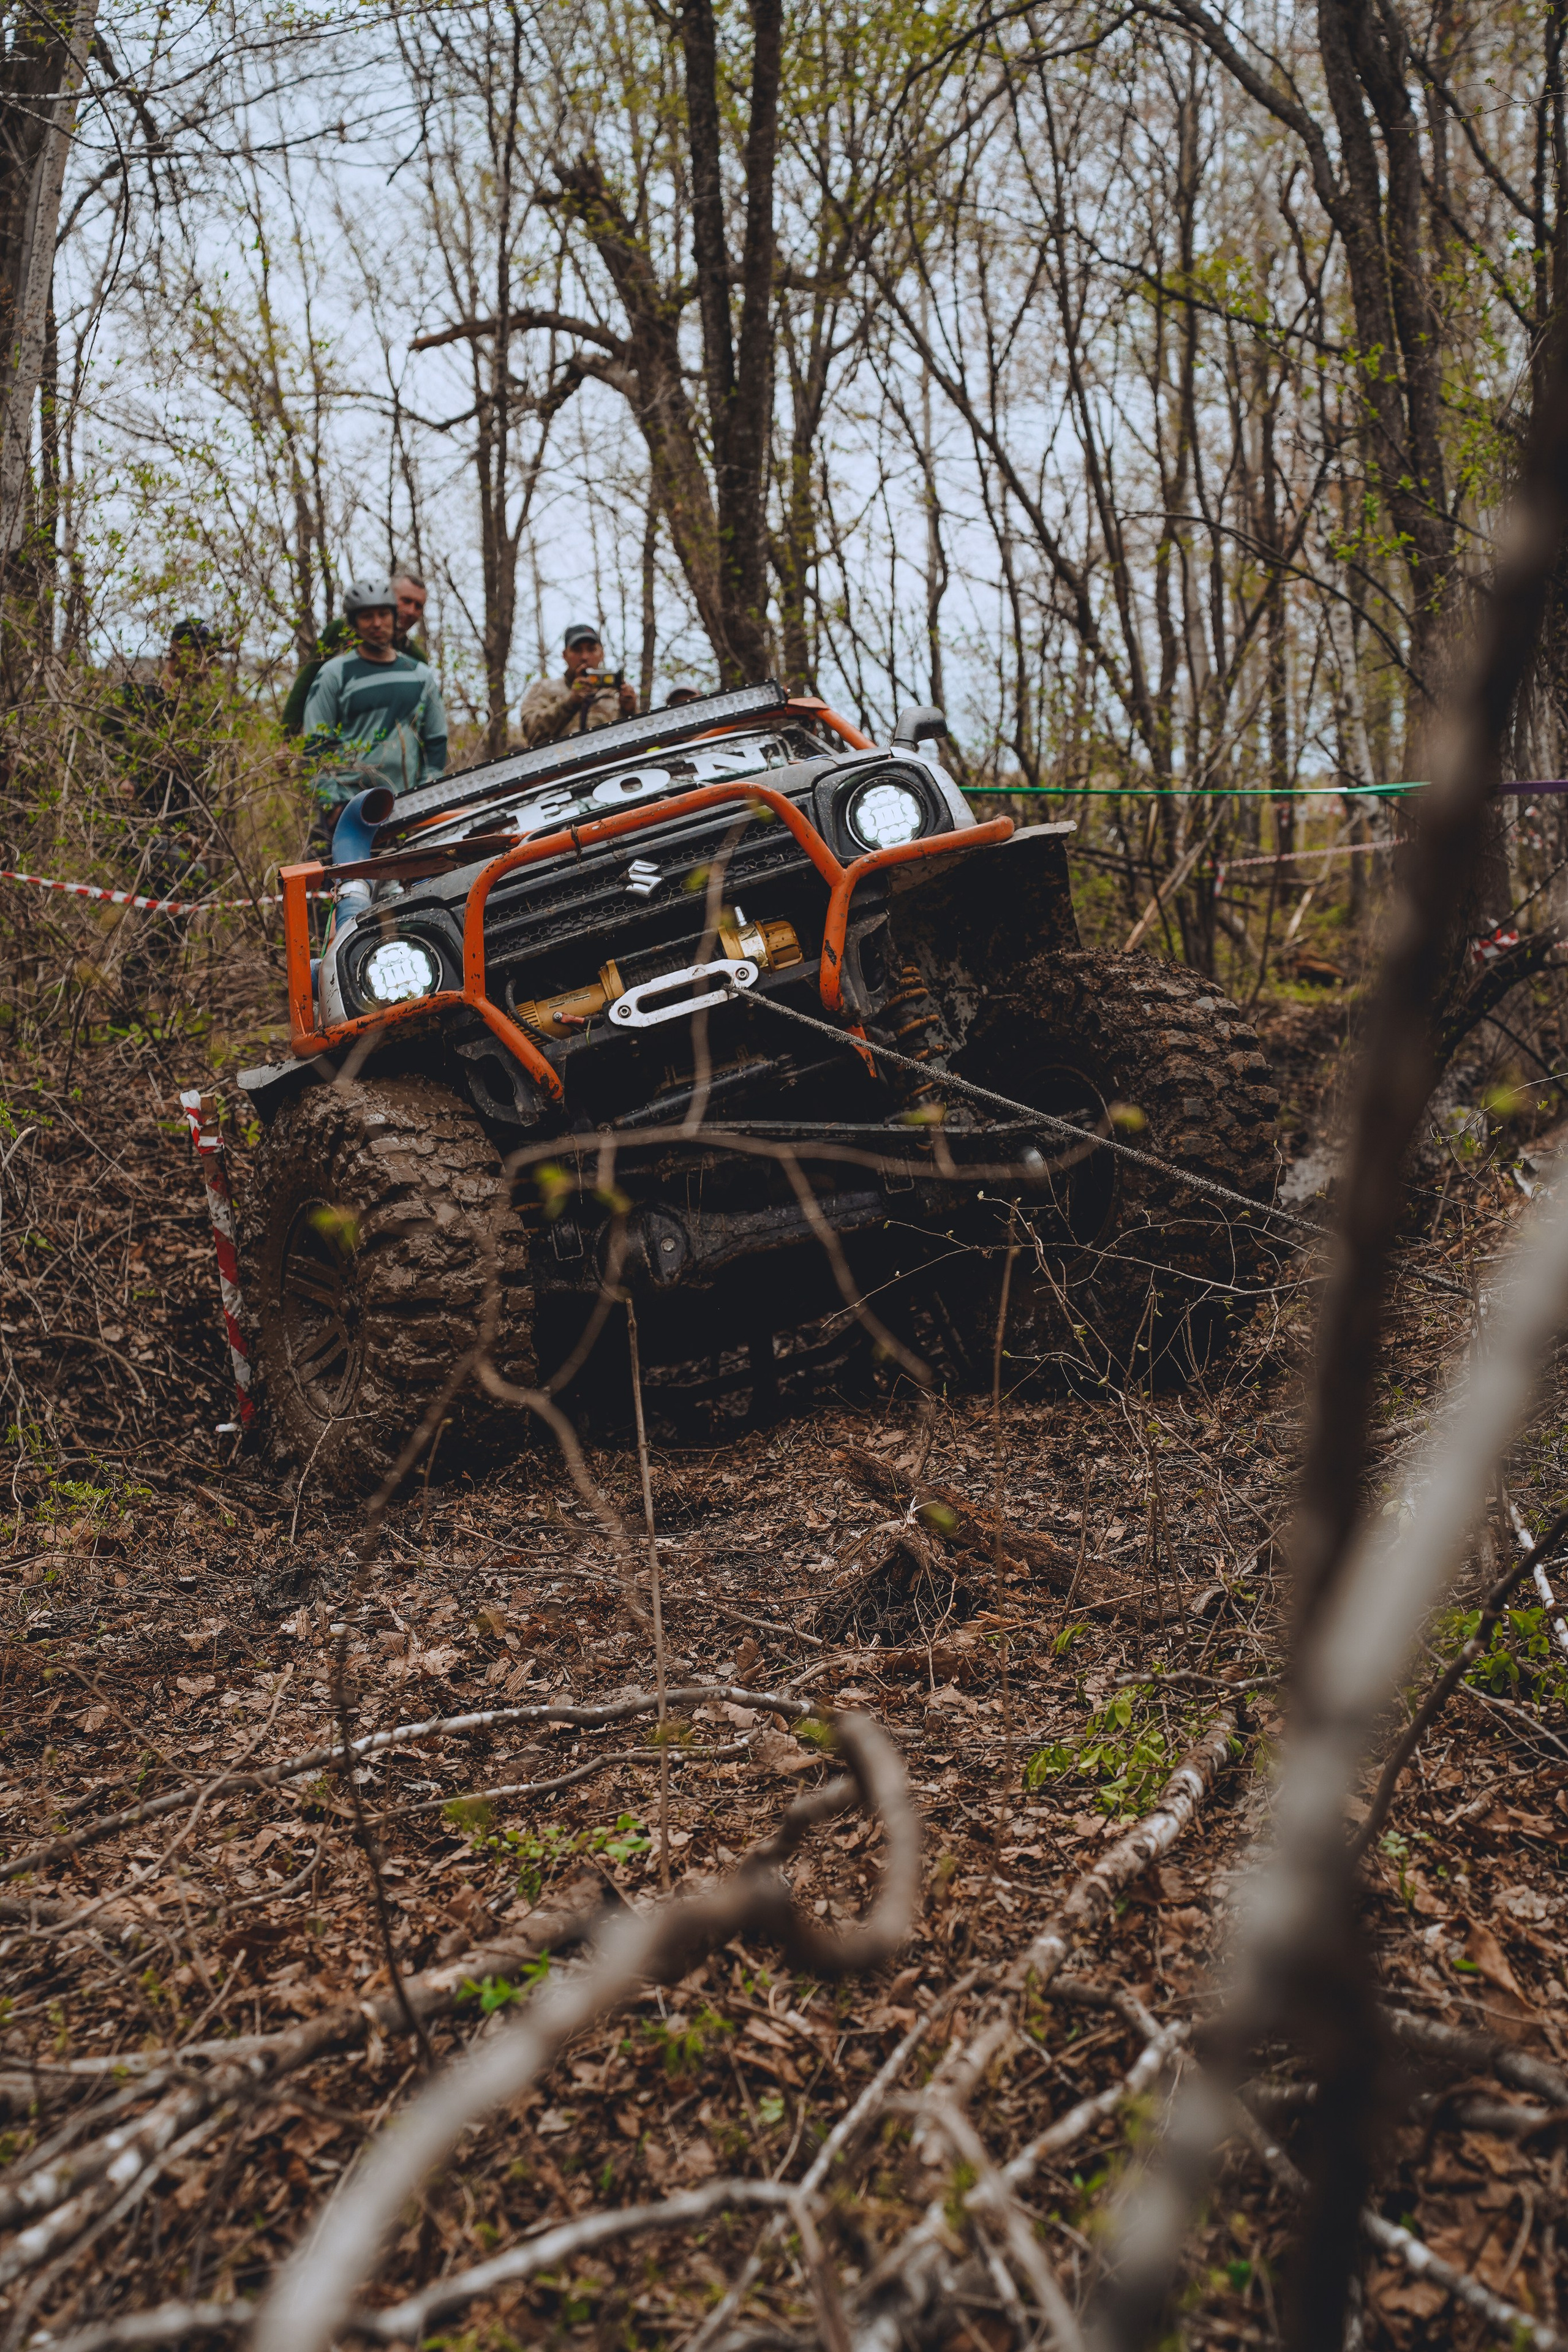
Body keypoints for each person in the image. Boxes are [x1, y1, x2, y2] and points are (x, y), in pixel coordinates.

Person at [302, 578, 447, 829]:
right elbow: (314, 744)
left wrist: (427, 794)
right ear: (354, 623)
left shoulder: (420, 674)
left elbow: (436, 740)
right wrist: (331, 805)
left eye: (383, 614)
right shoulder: (334, 674)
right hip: (349, 809)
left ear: (394, 617)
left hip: (409, 807)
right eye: (367, 616)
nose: (377, 623)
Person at [282, 568, 429, 737]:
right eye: (406, 601)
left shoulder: (415, 659)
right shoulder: (341, 631)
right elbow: (307, 680)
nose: (411, 611)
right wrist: (288, 735)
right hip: (336, 737)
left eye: (418, 606)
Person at [517, 624, 637, 748]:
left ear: (602, 654)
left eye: (591, 649)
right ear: (565, 655)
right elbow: (531, 731)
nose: (584, 657)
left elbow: (637, 741)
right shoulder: (544, 689)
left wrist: (630, 711)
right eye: (577, 650)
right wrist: (570, 702)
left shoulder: (617, 694)